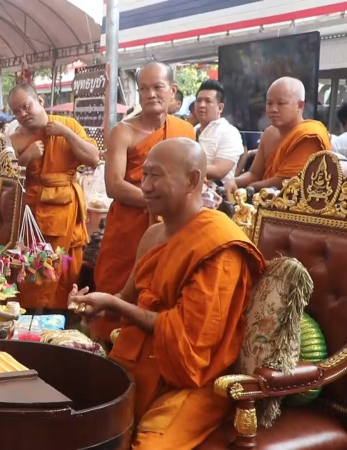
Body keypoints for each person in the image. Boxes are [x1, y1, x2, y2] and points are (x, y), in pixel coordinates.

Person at [69, 138, 265, 448]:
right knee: (74, 416)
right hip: (140, 361)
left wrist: (116, 305)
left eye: (156, 176)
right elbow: (126, 299)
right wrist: (96, 304)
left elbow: (191, 341)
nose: (145, 186)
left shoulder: (218, 245)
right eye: (144, 175)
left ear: (192, 180)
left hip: (193, 380)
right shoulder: (153, 235)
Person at [93, 62, 195, 342]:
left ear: (173, 90)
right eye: (144, 89)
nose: (150, 94)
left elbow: (193, 182)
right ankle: (107, 351)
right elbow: (114, 185)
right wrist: (158, 202)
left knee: (163, 290)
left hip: (172, 229)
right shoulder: (122, 132)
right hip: (129, 227)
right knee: (119, 287)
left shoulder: (185, 131)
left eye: (158, 87)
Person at [7, 83, 100, 310]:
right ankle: (31, 316)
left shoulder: (68, 125)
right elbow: (4, 180)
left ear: (40, 101)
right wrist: (24, 159)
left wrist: (65, 134)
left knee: (65, 272)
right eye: (16, 112)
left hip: (66, 210)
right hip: (31, 219)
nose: (22, 114)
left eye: (26, 106)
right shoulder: (15, 139)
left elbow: (94, 159)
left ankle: (62, 318)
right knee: (33, 271)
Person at [225, 77, 331, 196]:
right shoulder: (269, 133)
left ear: (300, 106)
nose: (273, 109)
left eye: (281, 103)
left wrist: (250, 188)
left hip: (296, 208)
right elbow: (254, 174)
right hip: (262, 201)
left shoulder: (308, 135)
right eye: (269, 103)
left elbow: (287, 182)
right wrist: (234, 181)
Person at [194, 79, 244, 185]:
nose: (201, 105)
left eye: (208, 101)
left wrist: (182, 169)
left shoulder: (229, 133)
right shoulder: (192, 129)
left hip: (218, 195)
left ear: (220, 108)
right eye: (198, 100)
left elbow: (219, 171)